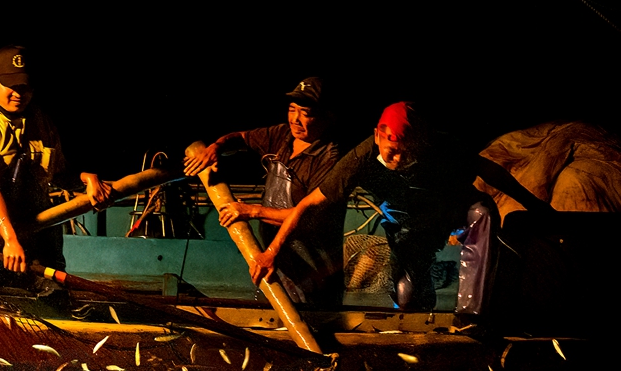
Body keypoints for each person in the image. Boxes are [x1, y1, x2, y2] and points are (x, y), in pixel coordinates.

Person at [253, 101, 546, 312]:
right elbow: (307, 204)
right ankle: (418, 302)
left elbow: (490, 171)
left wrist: (533, 204)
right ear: (378, 136)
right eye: (391, 152)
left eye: (406, 153)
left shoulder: (438, 144)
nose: (397, 160)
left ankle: (472, 315)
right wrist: (270, 252)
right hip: (411, 227)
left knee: (482, 213)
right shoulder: (360, 158)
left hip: (452, 207)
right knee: (407, 297)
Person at [0, 46, 110, 275]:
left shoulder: (42, 122)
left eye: (25, 86)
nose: (18, 94)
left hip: (36, 220)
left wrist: (86, 179)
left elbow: (59, 175)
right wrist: (9, 239)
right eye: (11, 86)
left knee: (52, 288)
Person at [182, 76, 344, 305]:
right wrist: (216, 147)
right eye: (291, 109)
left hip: (314, 270)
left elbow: (305, 215)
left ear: (328, 117)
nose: (295, 120)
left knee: (312, 318)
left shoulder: (331, 159)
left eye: (305, 113)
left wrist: (252, 211)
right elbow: (241, 138)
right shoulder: (282, 135)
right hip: (275, 258)